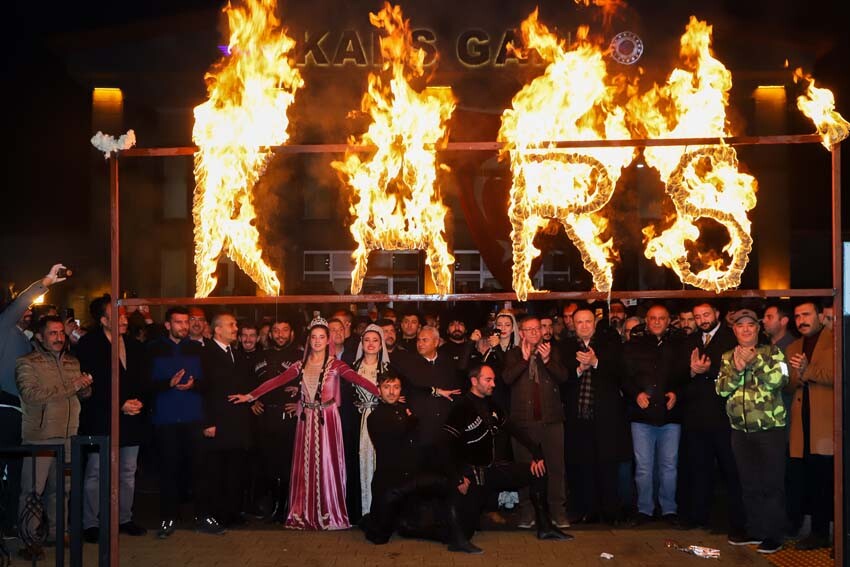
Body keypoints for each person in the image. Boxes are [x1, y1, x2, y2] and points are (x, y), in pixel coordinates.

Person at [229, 317, 380, 530]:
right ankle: (305, 513)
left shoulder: (336, 365)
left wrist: (382, 392)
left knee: (327, 466)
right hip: (306, 419)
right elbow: (276, 381)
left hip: (327, 419)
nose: (317, 341)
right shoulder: (300, 365)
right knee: (305, 467)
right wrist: (250, 396)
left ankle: (328, 513)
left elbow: (359, 379)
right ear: (308, 339)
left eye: (322, 337)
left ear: (328, 340)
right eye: (314, 337)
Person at [443, 364, 573, 547]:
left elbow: (514, 429)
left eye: (493, 380)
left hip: (492, 471)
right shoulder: (461, 408)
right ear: (474, 381)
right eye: (488, 380)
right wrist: (458, 477)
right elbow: (446, 447)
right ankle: (416, 530)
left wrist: (537, 454)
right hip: (471, 476)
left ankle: (545, 528)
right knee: (463, 532)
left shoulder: (491, 404)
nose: (493, 384)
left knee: (537, 471)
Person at [364, 373, 479, 553]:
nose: (392, 391)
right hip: (391, 483)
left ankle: (456, 536)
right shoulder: (375, 417)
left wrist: (454, 475)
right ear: (379, 389)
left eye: (396, 387)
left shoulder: (405, 411)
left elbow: (417, 445)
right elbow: (391, 443)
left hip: (412, 478)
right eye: (387, 387)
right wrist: (411, 421)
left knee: (445, 487)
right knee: (379, 537)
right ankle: (372, 520)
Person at [0, 263, 67, 540]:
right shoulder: (4, 326)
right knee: (5, 473)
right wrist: (46, 282)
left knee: (15, 473)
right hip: (4, 410)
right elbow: (20, 304)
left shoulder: (23, 337)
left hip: (22, 414)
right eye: (24, 308)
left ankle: (12, 528)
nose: (28, 310)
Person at [16, 316, 92, 560]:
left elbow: (80, 395)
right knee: (33, 492)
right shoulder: (27, 363)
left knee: (63, 490)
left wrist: (86, 387)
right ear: (39, 336)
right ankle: (28, 540)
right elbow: (31, 395)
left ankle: (58, 533)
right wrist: (73, 386)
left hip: (70, 434)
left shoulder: (72, 362)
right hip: (41, 436)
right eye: (53, 333)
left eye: (61, 333)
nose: (59, 338)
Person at [716, 309, 789, 555]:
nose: (745, 329)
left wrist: (753, 361)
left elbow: (779, 381)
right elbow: (722, 389)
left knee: (772, 484)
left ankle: (774, 534)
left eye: (750, 325)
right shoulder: (727, 357)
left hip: (770, 430)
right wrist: (737, 368)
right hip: (740, 430)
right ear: (734, 330)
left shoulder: (773, 353)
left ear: (758, 329)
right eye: (740, 325)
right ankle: (756, 529)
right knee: (749, 483)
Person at [76, 297, 147, 542]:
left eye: (125, 315)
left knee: (127, 471)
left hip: (131, 419)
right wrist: (118, 405)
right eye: (118, 316)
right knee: (96, 471)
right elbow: (87, 387)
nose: (124, 319)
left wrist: (138, 402)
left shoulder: (133, 345)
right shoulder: (88, 345)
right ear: (103, 320)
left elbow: (140, 378)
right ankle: (90, 523)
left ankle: (123, 518)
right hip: (101, 418)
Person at [679, 301, 746, 539]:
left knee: (730, 470)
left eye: (706, 315)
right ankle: (700, 517)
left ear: (717, 314)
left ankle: (732, 520)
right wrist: (691, 371)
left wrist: (706, 370)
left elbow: (735, 372)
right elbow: (678, 375)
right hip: (696, 418)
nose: (702, 320)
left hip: (723, 416)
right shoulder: (690, 341)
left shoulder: (731, 339)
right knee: (699, 468)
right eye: (697, 317)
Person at [561, 307, 631, 525]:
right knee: (582, 466)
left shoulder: (610, 345)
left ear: (595, 323)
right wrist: (579, 370)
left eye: (587, 321)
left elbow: (620, 375)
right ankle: (586, 510)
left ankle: (610, 512)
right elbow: (561, 381)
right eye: (579, 322)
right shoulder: (564, 347)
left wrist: (595, 363)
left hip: (606, 417)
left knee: (607, 465)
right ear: (572, 324)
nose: (583, 326)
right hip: (578, 418)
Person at [146, 307, 211, 538]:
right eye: (179, 322)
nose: (184, 326)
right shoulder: (153, 349)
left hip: (194, 418)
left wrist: (195, 385)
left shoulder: (199, 349)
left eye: (186, 322)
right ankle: (168, 518)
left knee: (200, 470)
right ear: (167, 325)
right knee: (169, 471)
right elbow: (145, 385)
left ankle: (203, 516)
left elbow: (210, 384)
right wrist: (167, 384)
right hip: (165, 420)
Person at [622, 304, 687, 526]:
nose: (657, 322)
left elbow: (687, 376)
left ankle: (669, 510)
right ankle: (644, 510)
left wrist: (677, 393)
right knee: (643, 467)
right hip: (641, 416)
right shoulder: (633, 346)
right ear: (646, 322)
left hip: (670, 415)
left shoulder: (680, 346)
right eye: (653, 318)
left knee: (669, 466)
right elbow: (623, 375)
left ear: (669, 321)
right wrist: (635, 393)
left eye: (662, 318)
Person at [503, 315, 569, 529]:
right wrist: (523, 361)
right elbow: (506, 379)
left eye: (537, 329)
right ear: (521, 333)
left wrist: (548, 361)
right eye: (528, 329)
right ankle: (527, 512)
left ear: (542, 332)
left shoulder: (553, 350)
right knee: (524, 468)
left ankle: (558, 512)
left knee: (556, 468)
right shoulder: (513, 354)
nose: (533, 332)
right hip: (523, 422)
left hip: (551, 420)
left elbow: (564, 378)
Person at [785, 301, 834, 551]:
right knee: (807, 478)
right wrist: (797, 376)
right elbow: (789, 384)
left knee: (826, 479)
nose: (801, 320)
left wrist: (807, 371)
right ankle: (814, 531)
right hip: (801, 424)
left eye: (806, 314)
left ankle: (824, 533)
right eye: (797, 316)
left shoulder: (835, 339)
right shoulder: (793, 346)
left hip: (826, 426)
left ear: (819, 316)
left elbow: (837, 374)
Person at [197, 313, 254, 528]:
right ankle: (213, 514)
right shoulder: (206, 355)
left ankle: (232, 512)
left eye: (235, 324)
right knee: (215, 472)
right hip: (217, 423)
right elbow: (203, 391)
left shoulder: (237, 354)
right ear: (217, 330)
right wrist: (207, 422)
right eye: (231, 324)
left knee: (235, 471)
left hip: (237, 423)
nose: (235, 328)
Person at [250, 318, 302, 522]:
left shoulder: (301, 357)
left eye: (285, 330)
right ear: (269, 334)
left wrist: (300, 399)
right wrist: (250, 402)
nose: (280, 335)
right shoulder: (258, 356)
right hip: (263, 418)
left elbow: (316, 384)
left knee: (287, 466)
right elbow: (246, 383)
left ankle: (285, 507)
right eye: (276, 331)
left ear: (292, 333)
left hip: (288, 419)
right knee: (265, 465)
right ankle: (267, 506)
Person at [343, 324, 390, 522]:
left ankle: (379, 511)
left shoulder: (388, 369)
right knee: (356, 463)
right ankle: (358, 512)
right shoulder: (352, 368)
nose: (370, 344)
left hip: (380, 420)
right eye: (366, 340)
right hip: (357, 420)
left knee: (381, 464)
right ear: (361, 343)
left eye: (375, 340)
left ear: (381, 345)